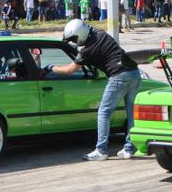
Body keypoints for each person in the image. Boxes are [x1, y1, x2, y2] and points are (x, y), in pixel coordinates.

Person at [45, 19, 142, 161]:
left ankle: (101, 150)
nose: (73, 42)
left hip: (119, 76)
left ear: (81, 34)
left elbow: (70, 70)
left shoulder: (87, 50)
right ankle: (129, 148)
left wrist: (50, 68)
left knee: (103, 113)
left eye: (74, 39)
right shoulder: (101, 34)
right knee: (131, 113)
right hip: (134, 73)